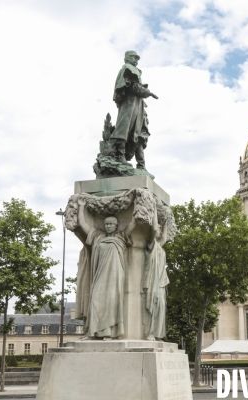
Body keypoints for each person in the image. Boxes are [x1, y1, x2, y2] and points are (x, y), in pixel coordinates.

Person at [73, 197, 136, 338]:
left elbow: (132, 224)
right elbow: (83, 225)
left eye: (111, 224)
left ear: (116, 226)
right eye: (106, 224)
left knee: (111, 304)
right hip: (100, 275)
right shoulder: (98, 237)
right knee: (95, 301)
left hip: (115, 276)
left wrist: (138, 206)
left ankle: (109, 333)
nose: (108, 226)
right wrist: (82, 206)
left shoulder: (121, 237)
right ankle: (92, 331)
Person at [111, 50, 158, 169]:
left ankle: (141, 165)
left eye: (137, 58)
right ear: (127, 58)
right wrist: (147, 92)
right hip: (129, 103)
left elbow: (136, 86)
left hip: (138, 104)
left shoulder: (135, 70)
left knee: (139, 131)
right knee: (124, 128)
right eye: (134, 57)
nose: (136, 60)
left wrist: (145, 92)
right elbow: (132, 86)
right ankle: (120, 156)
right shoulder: (127, 68)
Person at [142, 209, 169, 341]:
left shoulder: (160, 246)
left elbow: (164, 237)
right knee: (153, 305)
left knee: (161, 307)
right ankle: (150, 333)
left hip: (161, 281)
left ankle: (158, 334)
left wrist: (165, 221)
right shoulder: (151, 244)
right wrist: (153, 210)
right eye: (157, 228)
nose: (158, 229)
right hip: (153, 281)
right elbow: (153, 230)